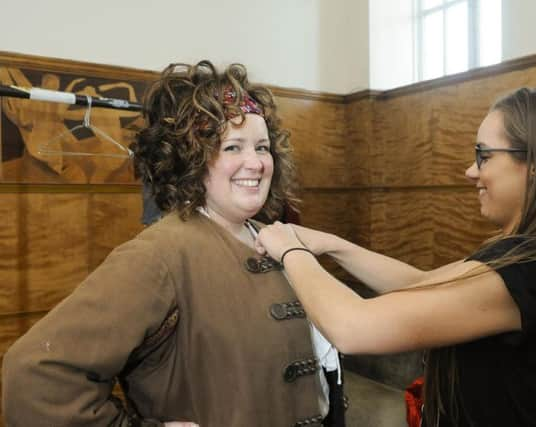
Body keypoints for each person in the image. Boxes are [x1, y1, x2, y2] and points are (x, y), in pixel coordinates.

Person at [2, 61, 344, 427]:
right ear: (192, 159)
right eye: (232, 147)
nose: (256, 163)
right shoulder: (158, 255)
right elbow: (33, 375)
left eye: (262, 147)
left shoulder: (275, 237)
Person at [255, 87, 536, 427]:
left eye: (484, 155)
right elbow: (421, 284)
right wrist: (331, 244)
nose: (471, 170)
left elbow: (353, 327)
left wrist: (291, 250)